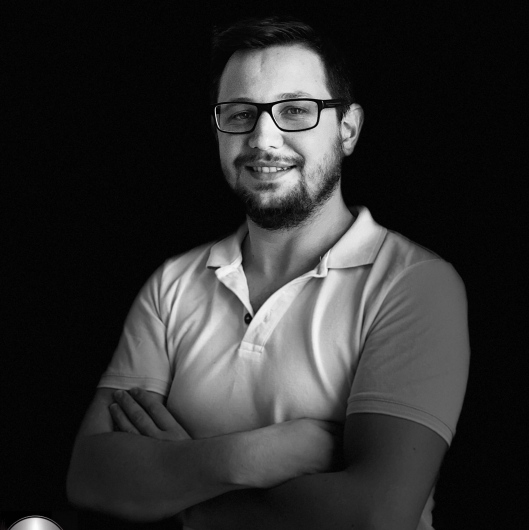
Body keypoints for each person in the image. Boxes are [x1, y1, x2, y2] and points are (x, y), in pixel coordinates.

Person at [67, 15, 470, 530]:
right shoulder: (173, 284)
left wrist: (182, 486)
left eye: (296, 110)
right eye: (240, 114)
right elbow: (90, 476)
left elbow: (375, 515)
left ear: (347, 129)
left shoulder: (414, 284)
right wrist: (250, 457)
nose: (263, 138)